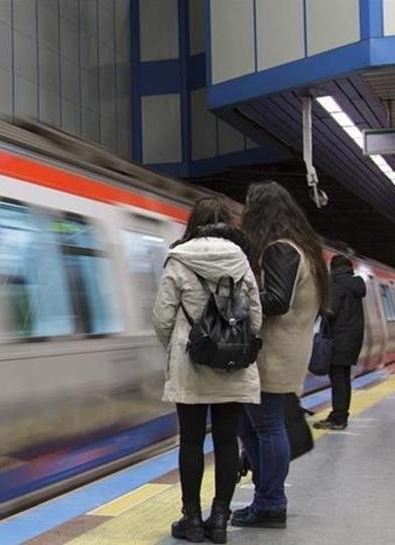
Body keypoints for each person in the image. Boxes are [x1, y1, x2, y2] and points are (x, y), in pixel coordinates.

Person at [153, 196, 262, 544]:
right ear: (228, 224)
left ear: (193, 223)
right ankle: (219, 520)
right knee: (227, 440)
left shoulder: (179, 260)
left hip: (190, 364)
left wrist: (180, 344)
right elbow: (257, 318)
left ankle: (193, 520)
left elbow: (162, 318)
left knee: (191, 441)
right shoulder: (241, 261)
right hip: (232, 365)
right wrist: (234, 341)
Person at [234, 181, 330, 529]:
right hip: (285, 350)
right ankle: (265, 497)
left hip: (274, 354)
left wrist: (238, 301)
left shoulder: (281, 249)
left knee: (267, 426)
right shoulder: (303, 248)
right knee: (251, 425)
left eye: (248, 207)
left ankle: (271, 503)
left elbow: (275, 300)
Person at [314, 255, 365, 430]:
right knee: (343, 379)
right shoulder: (354, 285)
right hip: (351, 341)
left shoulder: (338, 285)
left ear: (333, 268)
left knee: (338, 380)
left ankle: (338, 418)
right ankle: (341, 415)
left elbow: (330, 311)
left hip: (339, 340)